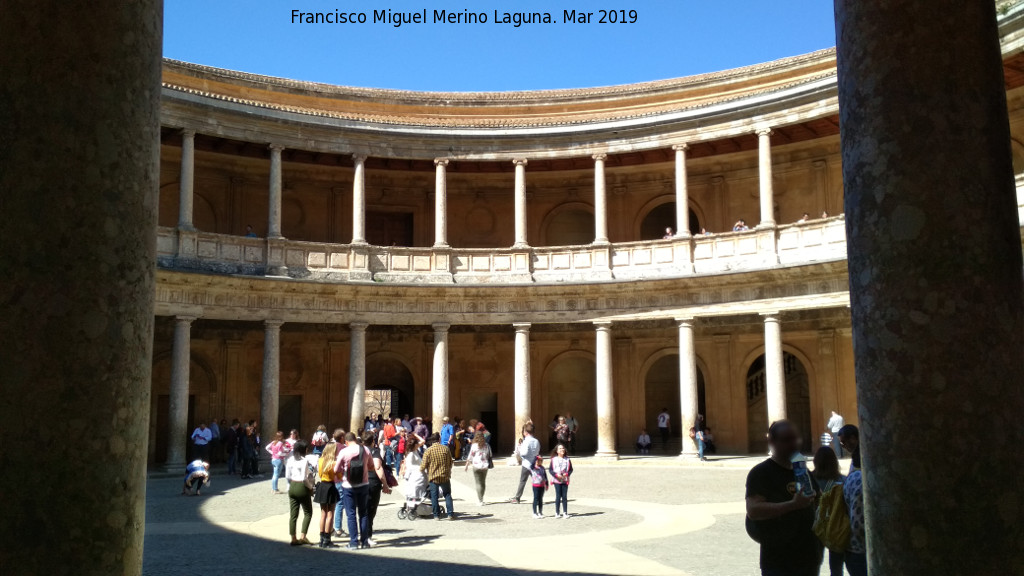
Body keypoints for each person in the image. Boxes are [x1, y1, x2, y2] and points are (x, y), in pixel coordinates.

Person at [745, 420, 819, 576]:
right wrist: (792, 505)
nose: (794, 444)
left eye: (796, 439)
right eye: (787, 440)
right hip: (779, 561)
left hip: (808, 556)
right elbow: (753, 510)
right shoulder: (761, 473)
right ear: (772, 442)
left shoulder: (802, 471)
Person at [812, 446, 846, 576]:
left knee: (815, 563)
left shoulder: (811, 479)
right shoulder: (842, 481)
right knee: (836, 568)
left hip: (816, 525)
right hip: (837, 526)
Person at [336, 432, 372, 550]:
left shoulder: (344, 452)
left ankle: (353, 542)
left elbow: (336, 469)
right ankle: (365, 542)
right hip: (364, 484)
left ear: (346, 442)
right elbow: (371, 465)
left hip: (348, 486)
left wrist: (343, 471)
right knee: (363, 513)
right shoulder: (365, 449)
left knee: (351, 514)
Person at [362, 431, 392, 548]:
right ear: (373, 441)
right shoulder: (374, 451)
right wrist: (385, 484)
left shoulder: (358, 451)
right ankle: (367, 537)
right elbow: (378, 467)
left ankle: (360, 536)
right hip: (372, 482)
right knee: (370, 511)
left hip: (359, 482)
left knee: (362, 511)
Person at [284, 440, 316, 546]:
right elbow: (304, 478)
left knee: (293, 515)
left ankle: (293, 538)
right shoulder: (303, 460)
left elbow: (287, 476)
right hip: (301, 486)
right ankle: (303, 536)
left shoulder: (290, 459)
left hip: (292, 485)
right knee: (308, 512)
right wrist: (310, 487)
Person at [420, 432, 456, 520]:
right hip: (445, 475)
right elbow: (450, 462)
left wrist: (421, 471)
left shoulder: (428, 451)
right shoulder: (445, 449)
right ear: (439, 439)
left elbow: (423, 465)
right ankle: (450, 514)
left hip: (433, 477)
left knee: (434, 496)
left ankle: (436, 515)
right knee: (447, 494)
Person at [313, 440, 340, 549]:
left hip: (322, 486)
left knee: (323, 513)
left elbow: (319, 473)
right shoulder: (333, 462)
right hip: (330, 486)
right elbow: (339, 475)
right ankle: (327, 540)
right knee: (330, 514)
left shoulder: (320, 460)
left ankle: (321, 539)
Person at [843, 461, 867, 576]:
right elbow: (858, 526)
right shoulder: (861, 478)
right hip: (860, 550)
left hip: (853, 549)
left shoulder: (851, 477)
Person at [509, 423, 541, 504]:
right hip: (534, 463)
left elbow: (524, 452)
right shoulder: (536, 441)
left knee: (522, 481)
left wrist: (520, 451)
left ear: (526, 432)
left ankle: (517, 498)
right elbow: (537, 451)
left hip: (526, 464)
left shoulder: (526, 441)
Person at [400, 432, 427, 517]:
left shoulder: (415, 449)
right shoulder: (410, 454)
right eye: (416, 444)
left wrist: (415, 435)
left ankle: (413, 506)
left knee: (415, 491)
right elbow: (409, 467)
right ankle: (412, 506)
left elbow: (423, 441)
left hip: (419, 473)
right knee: (413, 491)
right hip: (415, 475)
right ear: (414, 445)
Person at [464, 429, 493, 505]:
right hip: (485, 466)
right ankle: (482, 498)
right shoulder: (486, 445)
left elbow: (470, 456)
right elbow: (489, 455)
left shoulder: (474, 445)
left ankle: (480, 500)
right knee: (483, 483)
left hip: (476, 465)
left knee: (478, 483)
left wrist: (466, 465)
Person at [549, 444, 573, 518]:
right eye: (560, 449)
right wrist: (556, 475)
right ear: (557, 451)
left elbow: (571, 469)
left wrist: (567, 474)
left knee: (564, 496)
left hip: (564, 479)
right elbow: (550, 470)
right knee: (558, 496)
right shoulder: (553, 459)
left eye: (563, 448)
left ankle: (565, 512)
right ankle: (557, 512)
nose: (562, 450)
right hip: (557, 479)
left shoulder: (567, 459)